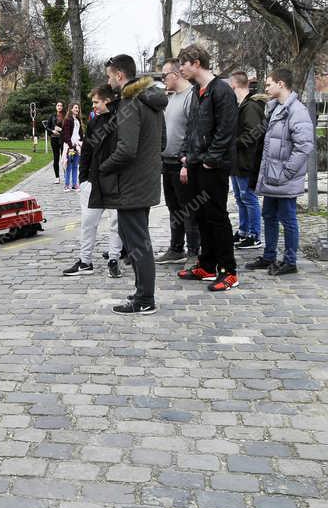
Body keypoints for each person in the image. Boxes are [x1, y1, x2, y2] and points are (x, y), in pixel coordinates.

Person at [95, 54, 167, 314]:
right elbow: (162, 143)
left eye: (109, 75)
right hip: (145, 180)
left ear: (120, 75)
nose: (108, 80)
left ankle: (145, 299)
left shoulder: (129, 102)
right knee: (136, 238)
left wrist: (103, 167)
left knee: (136, 242)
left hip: (131, 184)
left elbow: (126, 150)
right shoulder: (152, 102)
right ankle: (141, 291)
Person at [176, 44, 239, 291]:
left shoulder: (221, 90)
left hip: (213, 166)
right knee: (200, 215)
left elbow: (226, 130)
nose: (181, 68)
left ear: (196, 62)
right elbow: (191, 127)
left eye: (184, 63)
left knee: (216, 216)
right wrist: (186, 155)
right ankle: (207, 263)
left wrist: (210, 159)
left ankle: (228, 270)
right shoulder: (197, 91)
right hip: (196, 164)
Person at [245, 68, 314, 276]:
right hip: (272, 178)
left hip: (283, 178)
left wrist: (286, 173)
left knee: (288, 218)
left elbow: (304, 146)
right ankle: (269, 255)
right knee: (269, 216)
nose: (266, 88)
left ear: (281, 84)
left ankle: (290, 261)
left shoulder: (297, 111)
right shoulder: (275, 108)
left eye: (269, 84)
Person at [63, 85, 123, 278]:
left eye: (96, 102)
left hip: (115, 180)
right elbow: (87, 150)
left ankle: (114, 259)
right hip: (93, 180)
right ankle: (85, 261)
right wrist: (83, 178)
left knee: (116, 223)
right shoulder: (95, 122)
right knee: (88, 223)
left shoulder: (121, 119)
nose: (93, 106)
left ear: (107, 100)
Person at [155, 59, 201, 267]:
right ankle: (176, 248)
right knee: (174, 208)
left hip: (183, 163)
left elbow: (194, 133)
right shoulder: (171, 97)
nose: (163, 79)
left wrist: (186, 163)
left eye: (164, 75)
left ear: (175, 74)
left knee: (188, 209)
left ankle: (193, 251)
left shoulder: (192, 97)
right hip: (168, 161)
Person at [229, 70, 266, 250]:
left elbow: (254, 134)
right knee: (240, 197)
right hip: (237, 161)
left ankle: (254, 234)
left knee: (248, 198)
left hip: (246, 161)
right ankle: (244, 231)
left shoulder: (250, 107)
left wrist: (233, 143)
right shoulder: (241, 105)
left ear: (234, 85)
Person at [62, 103, 84, 191]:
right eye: (75, 108)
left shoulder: (78, 119)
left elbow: (80, 132)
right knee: (68, 165)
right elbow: (66, 135)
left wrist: (81, 141)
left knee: (75, 166)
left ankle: (75, 184)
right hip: (69, 146)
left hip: (77, 145)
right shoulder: (68, 120)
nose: (77, 109)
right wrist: (71, 146)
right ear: (71, 109)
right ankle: (67, 185)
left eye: (78, 108)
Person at [43, 102, 66, 184]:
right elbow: (47, 127)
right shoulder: (52, 116)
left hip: (63, 139)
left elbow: (68, 128)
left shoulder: (65, 116)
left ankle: (66, 176)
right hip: (54, 139)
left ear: (63, 107)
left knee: (64, 159)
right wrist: (52, 131)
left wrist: (60, 130)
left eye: (61, 106)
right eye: (58, 105)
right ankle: (57, 177)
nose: (59, 107)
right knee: (56, 158)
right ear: (56, 107)